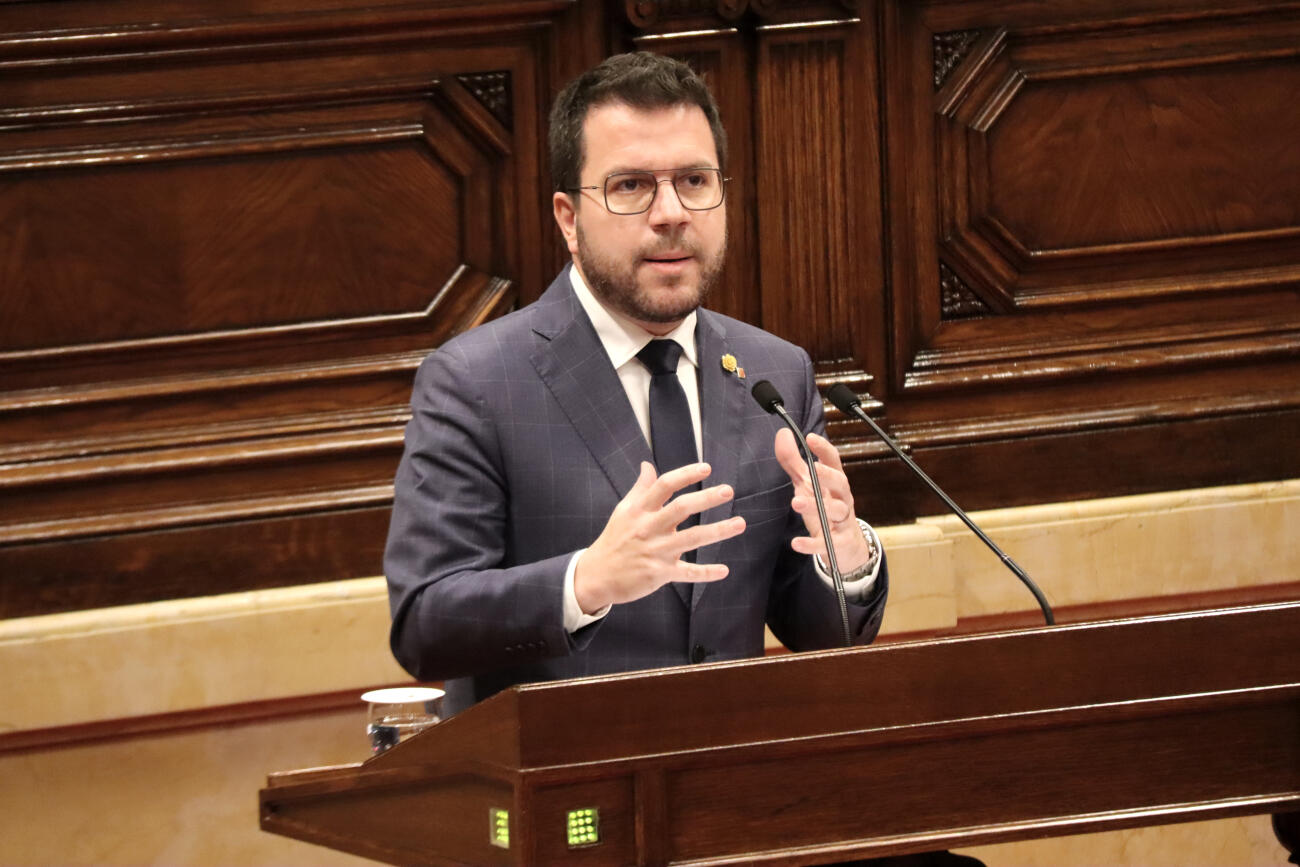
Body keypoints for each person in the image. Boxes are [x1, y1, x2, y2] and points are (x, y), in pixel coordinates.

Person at [383, 51, 888, 718]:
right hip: (567, 794)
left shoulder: (774, 374)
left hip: (731, 791)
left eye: (694, 180)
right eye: (631, 186)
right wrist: (585, 583)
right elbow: (425, 622)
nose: (672, 212)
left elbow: (818, 629)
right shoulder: (478, 383)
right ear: (568, 218)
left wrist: (844, 556)